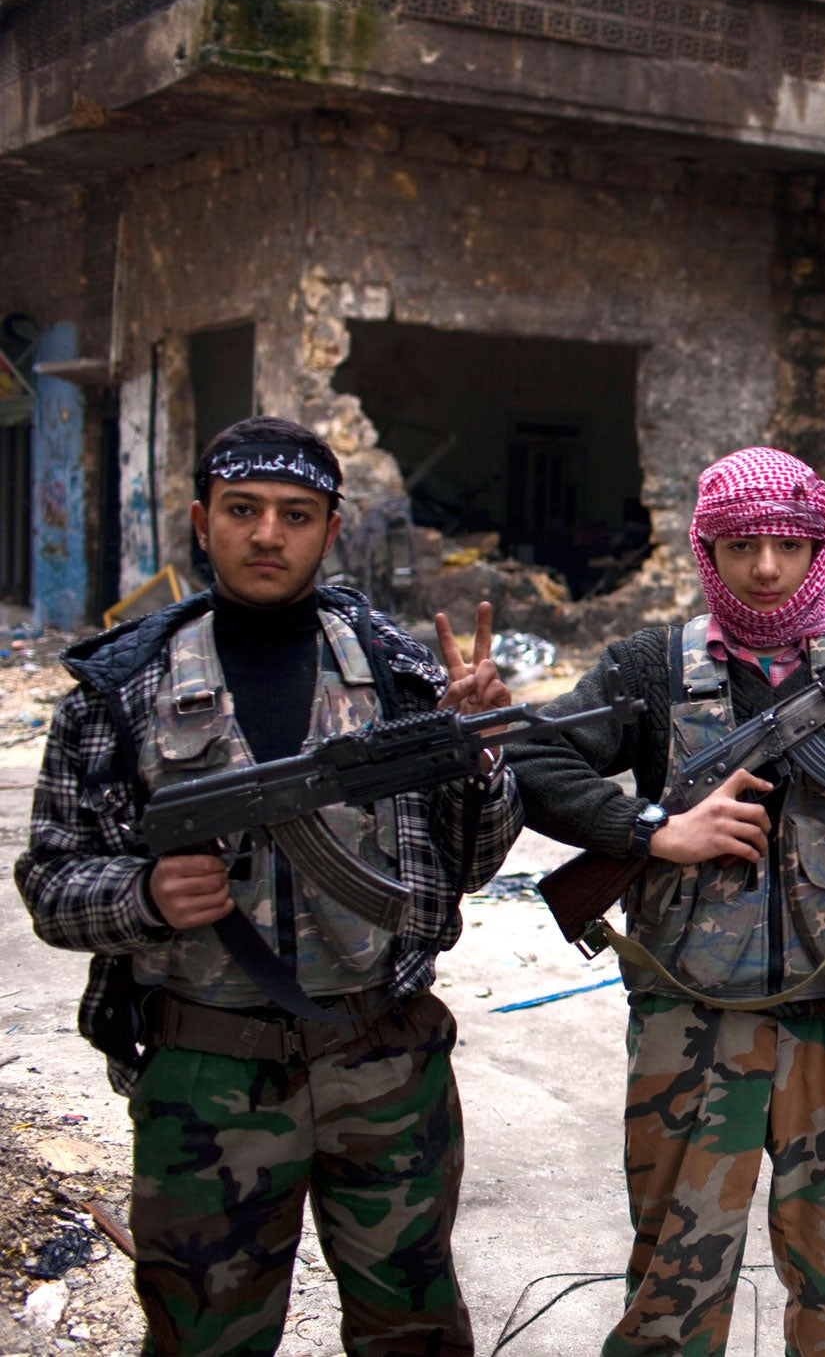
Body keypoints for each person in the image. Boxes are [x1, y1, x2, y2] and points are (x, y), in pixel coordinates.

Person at [15, 416, 522, 1356]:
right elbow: (49, 879)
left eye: (295, 514)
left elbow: (475, 863)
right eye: (243, 511)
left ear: (331, 533)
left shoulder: (401, 676)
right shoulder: (121, 687)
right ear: (202, 522)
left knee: (412, 1323)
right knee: (204, 1335)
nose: (266, 535)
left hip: (384, 1055)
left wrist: (478, 760)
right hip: (207, 1070)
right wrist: (143, 897)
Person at [505, 446, 825, 1357]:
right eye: (741, 544)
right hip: (692, 1019)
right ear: (708, 550)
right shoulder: (650, 665)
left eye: (789, 544)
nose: (767, 568)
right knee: (677, 1270)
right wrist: (649, 829)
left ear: (822, 547)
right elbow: (535, 757)